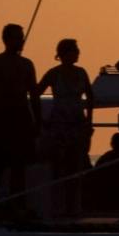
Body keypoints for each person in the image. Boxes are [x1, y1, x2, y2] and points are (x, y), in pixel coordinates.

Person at [0, 21, 40, 216]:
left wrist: (37, 122)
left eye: (22, 38)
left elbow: (33, 95)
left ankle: (17, 205)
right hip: (1, 118)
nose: (21, 41)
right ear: (7, 40)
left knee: (19, 166)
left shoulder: (26, 65)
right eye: (18, 38)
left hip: (21, 117)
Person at [38, 37, 93, 219]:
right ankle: (57, 207)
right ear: (62, 54)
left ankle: (74, 207)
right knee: (58, 168)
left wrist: (89, 121)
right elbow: (35, 93)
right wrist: (40, 120)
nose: (77, 53)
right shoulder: (54, 74)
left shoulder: (81, 73)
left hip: (77, 125)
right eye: (73, 50)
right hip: (59, 126)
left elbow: (90, 97)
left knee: (75, 167)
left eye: (77, 50)